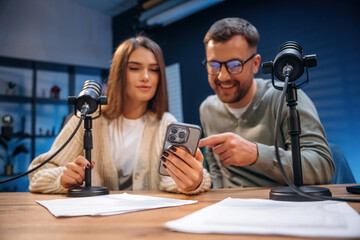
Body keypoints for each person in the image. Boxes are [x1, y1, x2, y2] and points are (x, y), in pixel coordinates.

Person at [28, 36, 211, 194]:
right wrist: (63, 178)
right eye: (135, 68)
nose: (146, 77)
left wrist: (194, 181)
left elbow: (170, 181)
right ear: (119, 73)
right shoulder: (88, 118)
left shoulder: (165, 123)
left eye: (154, 70)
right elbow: (37, 173)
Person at [198, 18, 334, 188]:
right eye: (214, 65)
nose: (223, 76)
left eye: (234, 65)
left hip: (282, 206)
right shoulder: (207, 108)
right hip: (230, 207)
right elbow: (216, 168)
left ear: (255, 64)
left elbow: (323, 168)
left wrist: (255, 154)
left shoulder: (286, 97)